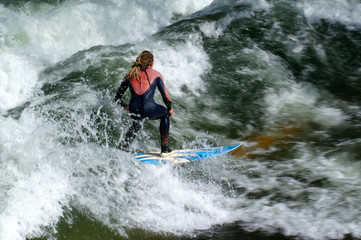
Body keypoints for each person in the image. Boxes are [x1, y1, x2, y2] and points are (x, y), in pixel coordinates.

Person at [114, 50, 174, 154]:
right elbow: (166, 97)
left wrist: (125, 106)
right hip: (149, 109)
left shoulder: (130, 74)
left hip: (134, 109)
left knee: (136, 124)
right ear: (151, 63)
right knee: (165, 114)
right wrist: (169, 109)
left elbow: (117, 98)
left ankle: (124, 147)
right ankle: (164, 148)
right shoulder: (156, 74)